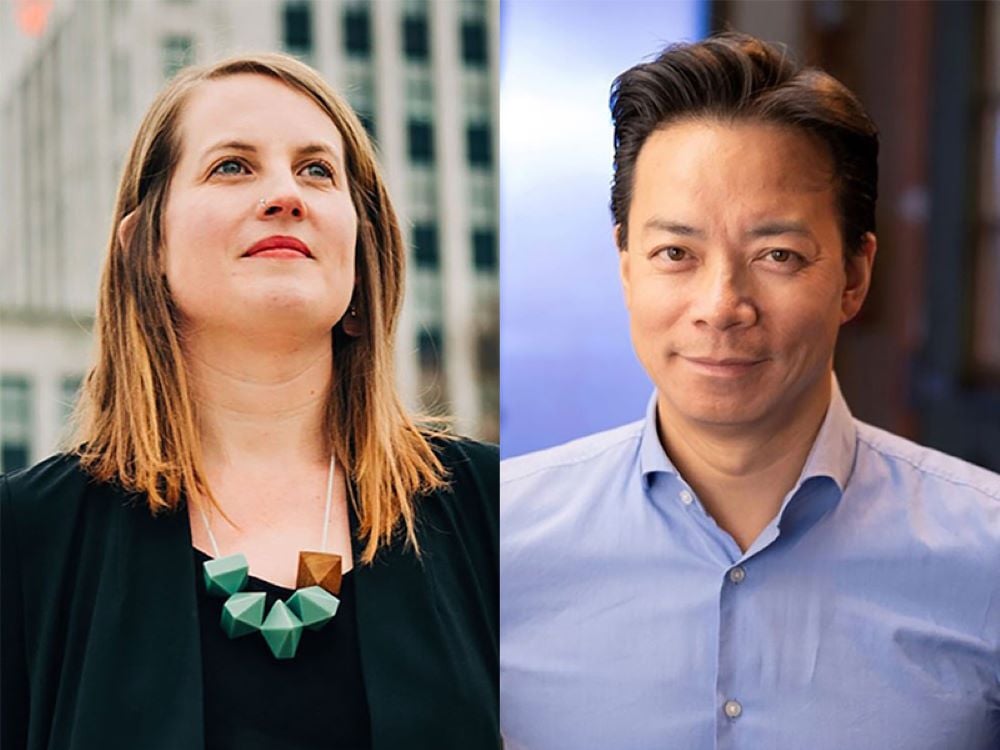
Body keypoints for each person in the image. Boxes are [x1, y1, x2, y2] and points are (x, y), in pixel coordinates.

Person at [500, 33, 1000, 749]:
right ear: (625, 265)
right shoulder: (495, 549)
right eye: (676, 253)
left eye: (777, 255)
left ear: (856, 276)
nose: (721, 304)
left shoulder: (987, 556)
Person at [1, 53, 498, 750]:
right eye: (232, 165)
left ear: (361, 259)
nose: (285, 195)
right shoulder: (26, 540)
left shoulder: (496, 510)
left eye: (317, 170)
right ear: (147, 249)